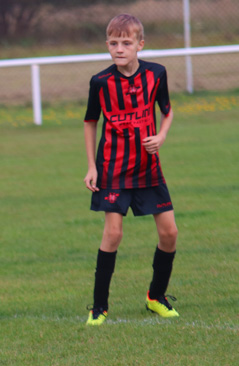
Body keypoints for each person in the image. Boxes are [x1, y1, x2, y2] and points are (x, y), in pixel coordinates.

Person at [83, 14, 179, 326]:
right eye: (113, 43)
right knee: (113, 233)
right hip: (113, 169)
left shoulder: (156, 74)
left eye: (126, 43)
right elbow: (90, 123)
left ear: (140, 44)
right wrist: (91, 167)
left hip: (148, 168)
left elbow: (167, 111)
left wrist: (161, 136)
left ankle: (156, 296)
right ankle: (99, 307)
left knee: (169, 233)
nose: (119, 48)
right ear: (107, 46)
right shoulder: (100, 82)